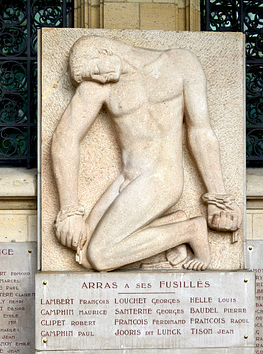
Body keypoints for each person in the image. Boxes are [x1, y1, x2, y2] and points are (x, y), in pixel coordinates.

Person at [51, 35, 241, 272]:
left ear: (105, 53)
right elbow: (64, 137)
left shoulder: (182, 63)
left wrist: (218, 198)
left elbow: (200, 132)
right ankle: (175, 224)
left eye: (94, 70)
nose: (95, 79)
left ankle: (191, 231)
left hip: (162, 178)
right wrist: (69, 211)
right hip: (129, 178)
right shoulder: (100, 83)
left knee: (100, 256)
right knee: (85, 253)